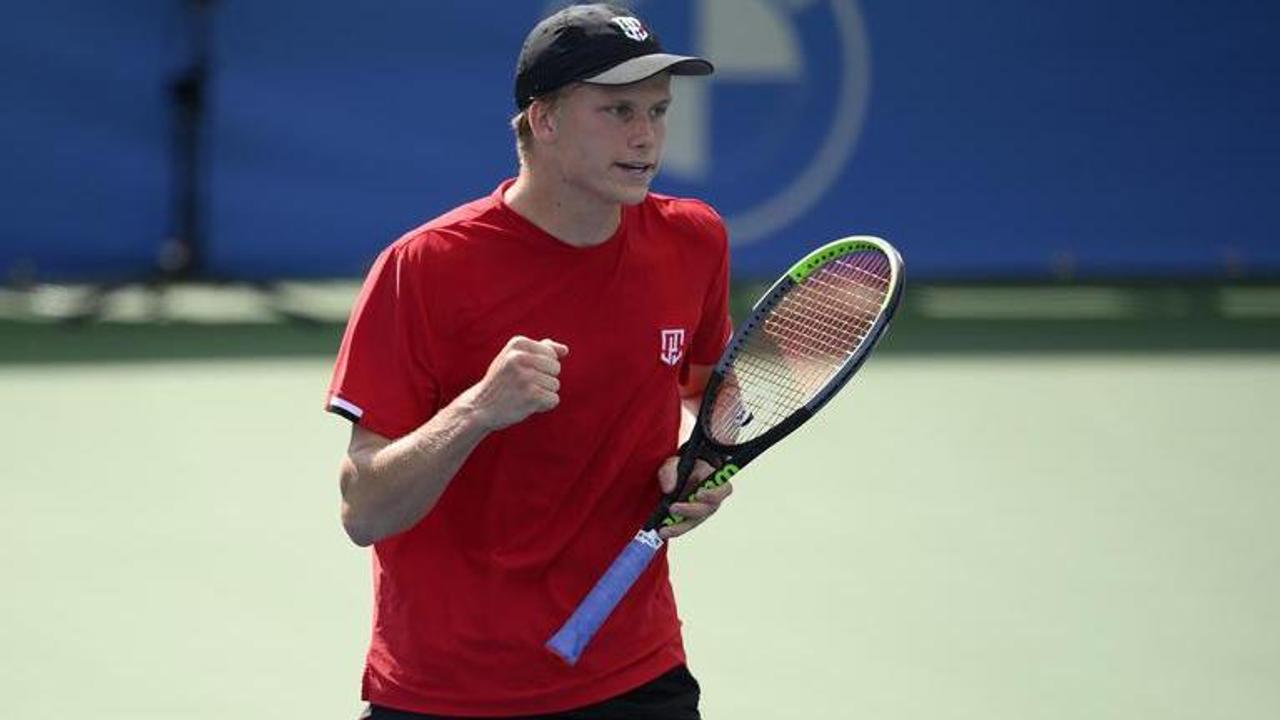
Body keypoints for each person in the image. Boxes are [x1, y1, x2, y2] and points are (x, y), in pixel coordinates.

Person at [326, 4, 733, 718]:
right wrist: (479, 411)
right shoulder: (423, 269)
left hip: (633, 673)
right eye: (617, 111)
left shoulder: (693, 240)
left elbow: (714, 391)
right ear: (543, 120)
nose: (647, 137)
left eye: (658, 111)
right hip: (450, 689)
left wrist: (706, 461)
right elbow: (364, 510)